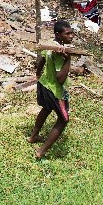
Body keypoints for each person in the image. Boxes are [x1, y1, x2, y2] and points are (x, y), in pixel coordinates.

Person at [27, 19, 74, 159]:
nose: (71, 36)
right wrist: (68, 60)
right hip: (55, 90)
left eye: (72, 33)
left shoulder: (50, 45)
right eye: (67, 34)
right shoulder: (59, 52)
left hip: (44, 84)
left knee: (46, 109)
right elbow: (60, 79)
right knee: (63, 120)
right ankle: (41, 151)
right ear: (58, 34)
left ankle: (33, 136)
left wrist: (37, 74)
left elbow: (41, 60)